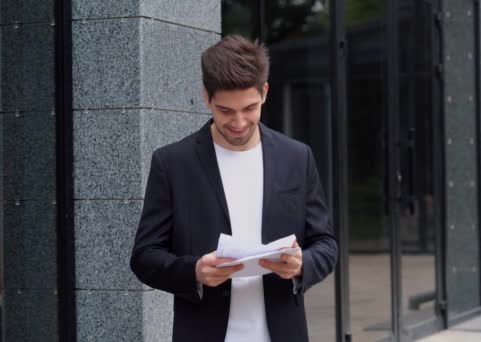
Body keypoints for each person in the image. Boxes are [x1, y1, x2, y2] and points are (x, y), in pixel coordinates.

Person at [130, 35, 338, 342]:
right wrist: (194, 272)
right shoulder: (173, 163)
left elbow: (326, 244)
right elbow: (144, 256)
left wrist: (301, 264)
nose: (239, 122)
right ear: (206, 96)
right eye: (226, 111)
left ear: (265, 92)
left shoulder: (297, 157)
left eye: (249, 108)